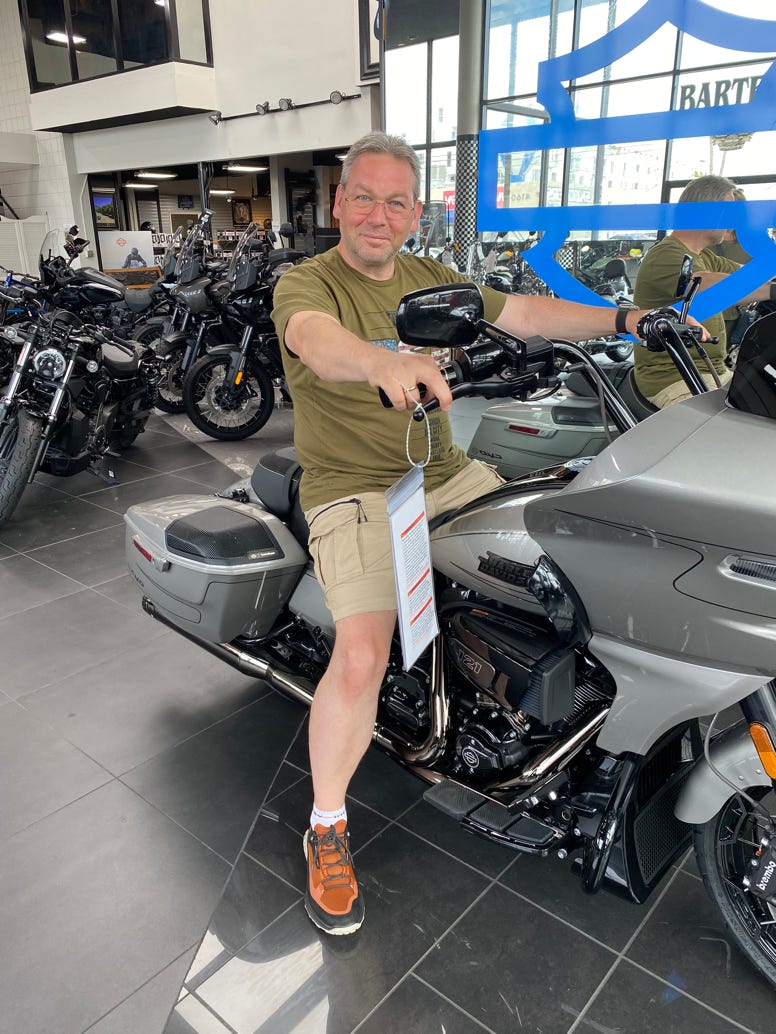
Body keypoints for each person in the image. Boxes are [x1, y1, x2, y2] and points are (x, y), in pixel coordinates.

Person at [270, 130, 693, 938]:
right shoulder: (307, 282)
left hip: (444, 473)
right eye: (365, 198)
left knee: (566, 561)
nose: (379, 215)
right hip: (354, 490)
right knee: (361, 655)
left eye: (397, 202)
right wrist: (380, 363)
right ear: (339, 202)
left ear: (414, 214)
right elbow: (315, 342)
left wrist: (629, 317)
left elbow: (525, 312)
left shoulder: (429, 278)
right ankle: (325, 825)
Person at [633, 175, 775, 408]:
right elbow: (707, 284)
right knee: (735, 428)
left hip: (713, 371)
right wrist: (773, 291)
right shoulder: (665, 254)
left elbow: (752, 274)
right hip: (673, 376)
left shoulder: (706, 256)